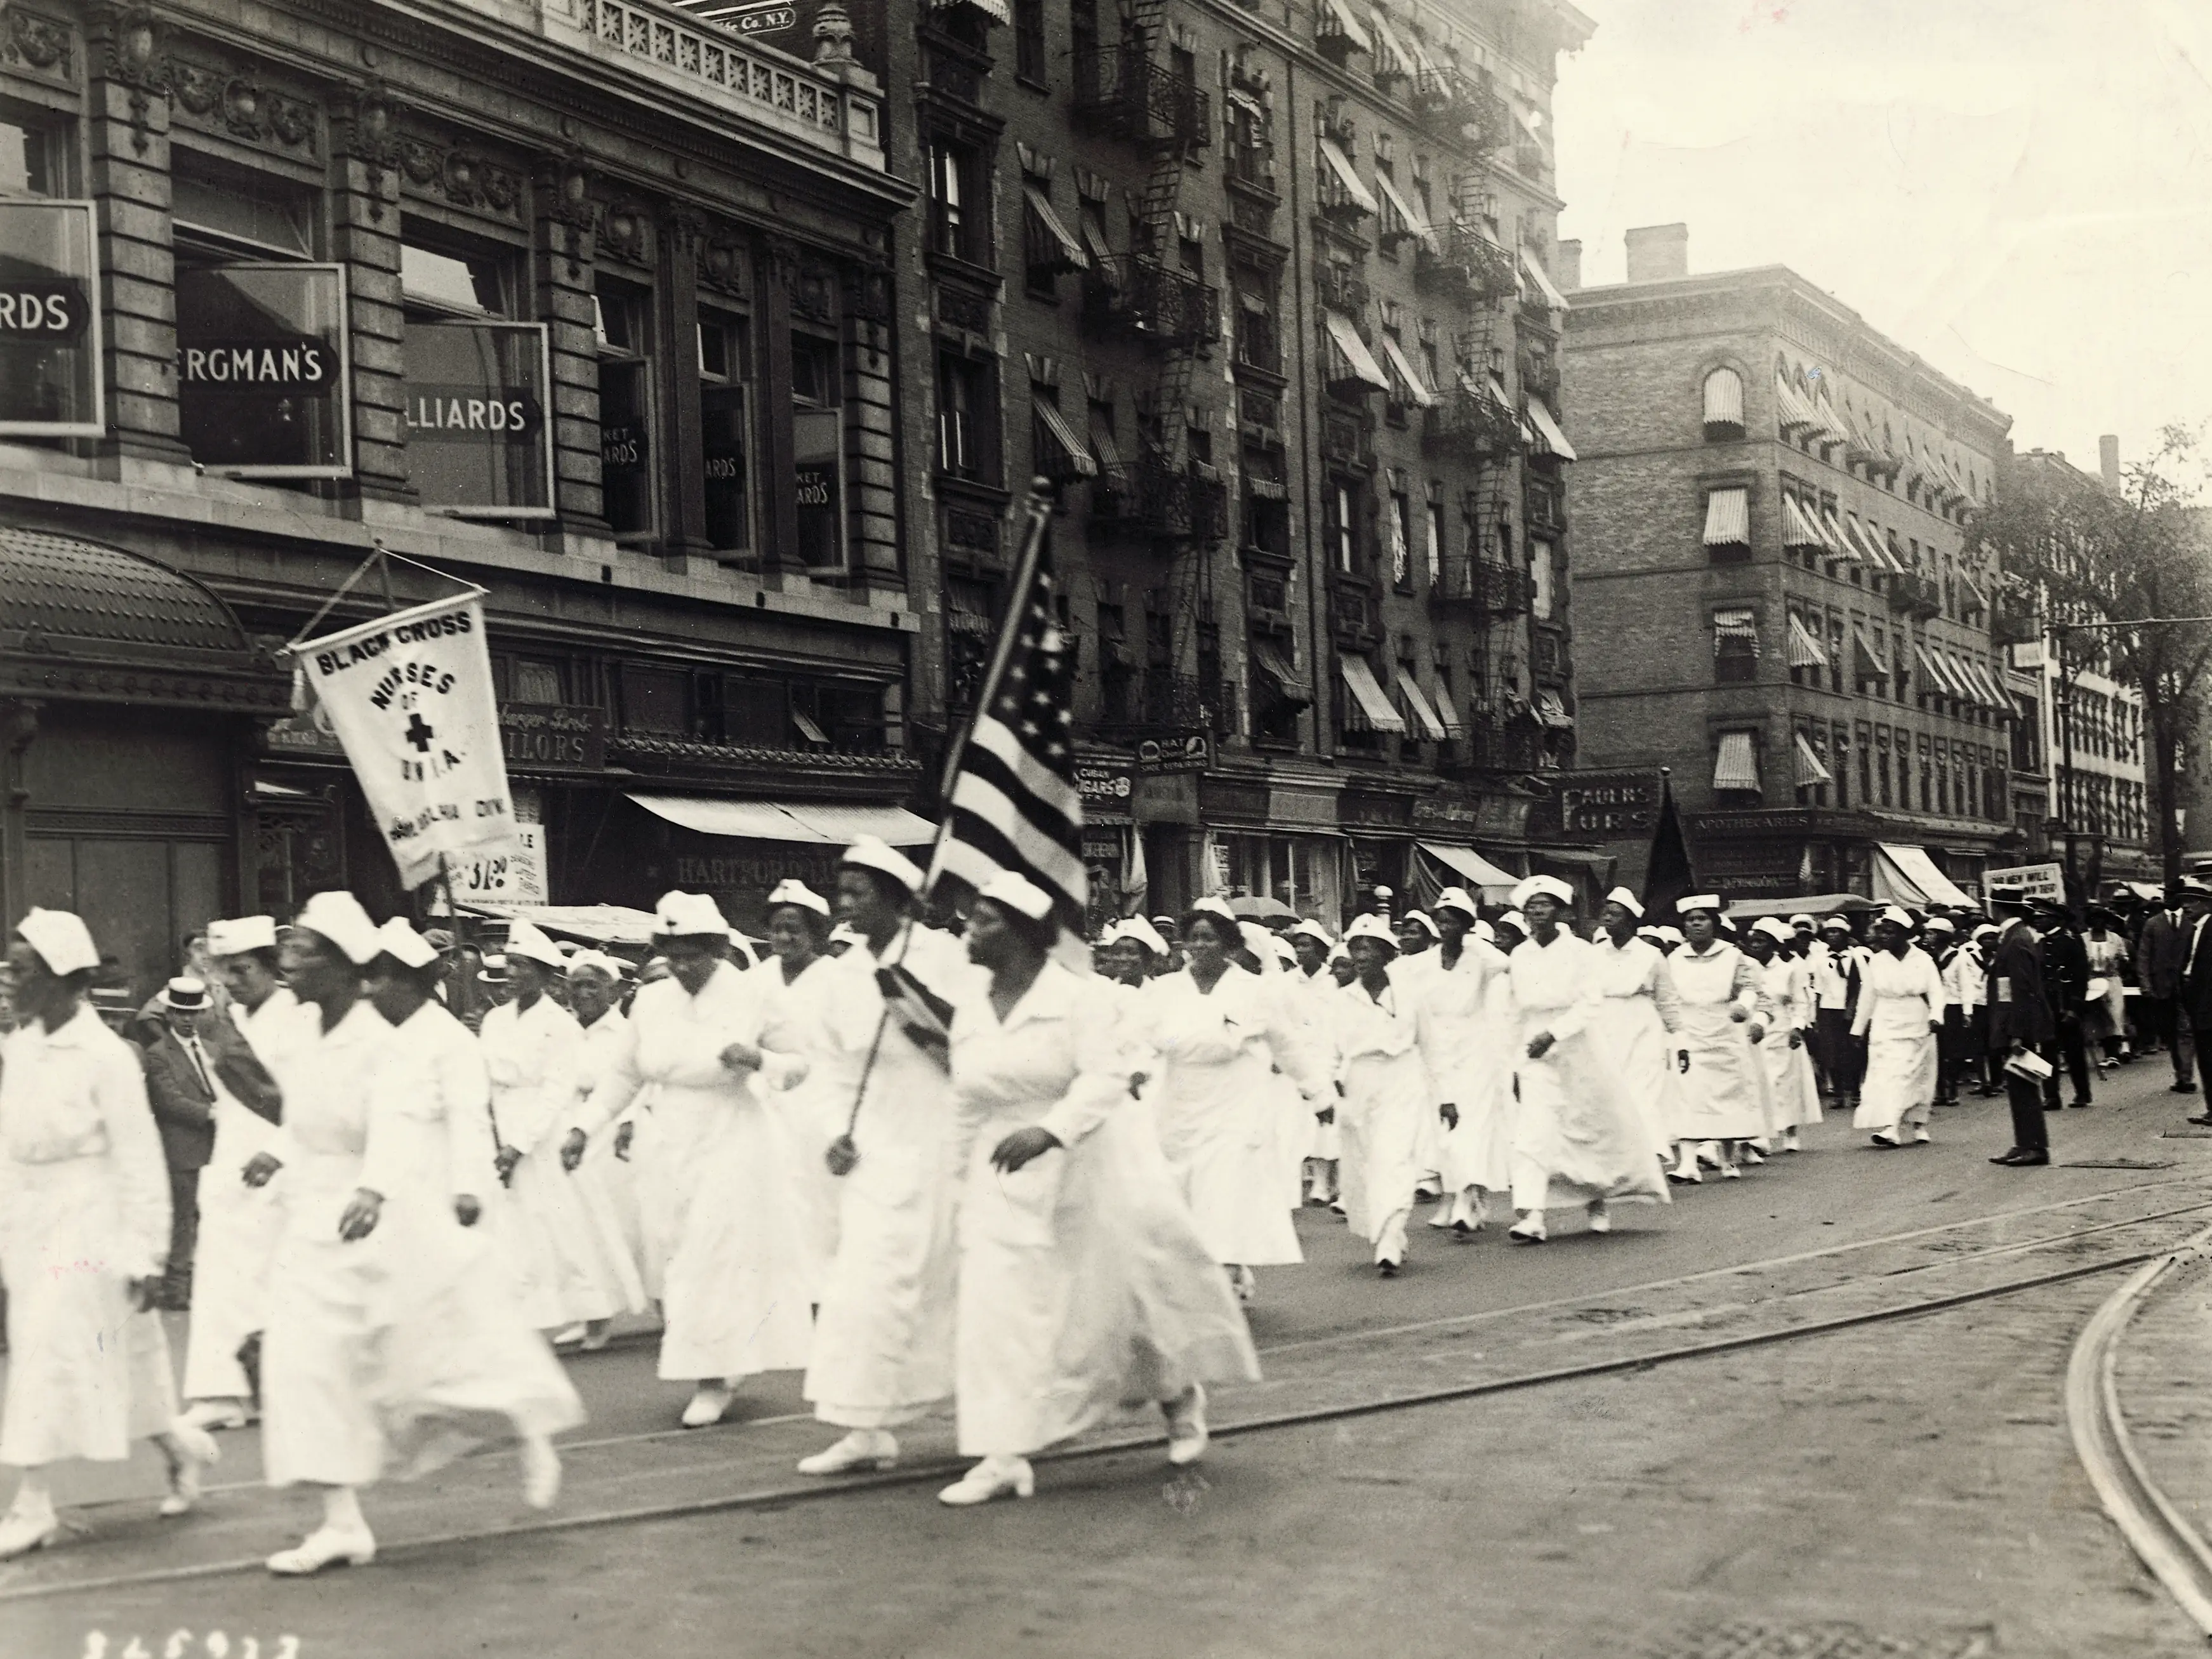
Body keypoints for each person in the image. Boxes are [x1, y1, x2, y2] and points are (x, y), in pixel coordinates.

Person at [937, 873, 1257, 1506]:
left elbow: (1106, 1075)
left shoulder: (1077, 999)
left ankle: (1177, 1397)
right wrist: (951, 1181)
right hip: (996, 1177)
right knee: (995, 1315)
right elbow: (964, 1098)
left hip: (1082, 1168)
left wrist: (1050, 1130)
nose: (970, 933)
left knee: (1112, 1310)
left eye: (985, 922)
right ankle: (1003, 1454)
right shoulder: (971, 1003)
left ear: (1026, 935)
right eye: (971, 920)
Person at [0, 909, 220, 1558]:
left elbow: (137, 1156)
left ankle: (32, 1502)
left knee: (42, 1351)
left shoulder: (106, 1056)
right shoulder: (21, 1045)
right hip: (32, 1221)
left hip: (92, 1221)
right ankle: (180, 1447)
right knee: (122, 1358)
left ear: (66, 979)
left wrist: (148, 1251)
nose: (10, 981)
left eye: (23, 970)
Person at [560, 891, 811, 1431]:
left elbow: (799, 1064)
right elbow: (624, 1075)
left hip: (732, 1139)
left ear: (718, 949)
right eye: (672, 953)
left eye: (693, 953)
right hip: (666, 1142)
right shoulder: (650, 1002)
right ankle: (722, 1360)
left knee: (712, 1255)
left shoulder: (752, 995)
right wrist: (584, 1127)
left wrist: (758, 1059)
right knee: (675, 1258)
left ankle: (712, 1381)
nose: (682, 965)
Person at [786, 840, 970, 1476]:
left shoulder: (945, 958)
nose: (843, 903)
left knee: (962, 1287)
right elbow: (829, 1069)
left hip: (949, 1143)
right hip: (875, 1155)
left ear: (895, 898)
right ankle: (864, 1426)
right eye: (840, 891)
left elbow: (974, 1040)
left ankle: (996, 1417)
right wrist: (836, 1131)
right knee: (861, 1286)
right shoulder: (838, 976)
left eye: (856, 891)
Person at [1128, 901, 1328, 1304]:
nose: (1200, 946)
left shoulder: (1254, 991)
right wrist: (1137, 1068)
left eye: (1209, 938)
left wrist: (1317, 1091)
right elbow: (1146, 1038)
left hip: (1236, 1102)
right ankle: (1226, 1266)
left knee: (1223, 1189)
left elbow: (1286, 1045)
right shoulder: (1167, 991)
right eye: (1194, 938)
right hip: (1181, 1102)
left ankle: (1224, 1271)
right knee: (1186, 1192)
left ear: (1229, 945)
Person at [480, 923, 642, 1349]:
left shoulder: (560, 1025)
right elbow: (489, 1081)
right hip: (505, 1122)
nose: (511, 973)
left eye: (520, 966)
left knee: (569, 1227)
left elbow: (556, 1090)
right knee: (518, 1230)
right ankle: (550, 1314)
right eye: (508, 965)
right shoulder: (494, 1020)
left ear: (542, 974)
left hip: (546, 1130)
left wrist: (521, 1143)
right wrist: (498, 1136)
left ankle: (597, 1314)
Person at [178, 916, 305, 1431]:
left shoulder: (298, 1018)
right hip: (232, 1173)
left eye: (243, 970)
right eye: (224, 971)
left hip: (281, 1174)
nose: (231, 981)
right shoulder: (231, 1023)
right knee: (221, 1286)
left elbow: (313, 1103)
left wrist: (279, 1149)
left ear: (272, 968)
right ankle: (221, 1394)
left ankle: (274, 1390)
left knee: (279, 1287)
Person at [1501, 876, 1669, 1241]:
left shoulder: (1581, 952)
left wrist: (1555, 1033)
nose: (1536, 911)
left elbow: (1590, 1002)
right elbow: (1514, 1012)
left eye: (1544, 904)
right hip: (1534, 1050)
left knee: (1585, 1128)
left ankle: (1596, 1201)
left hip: (1578, 1047)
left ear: (1560, 912)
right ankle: (1532, 1215)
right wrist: (1514, 1062)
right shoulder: (1519, 955)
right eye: (1530, 906)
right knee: (1533, 1131)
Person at [756, 878, 848, 1303]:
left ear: (816, 933)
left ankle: (826, 1293)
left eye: (794, 928)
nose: (784, 937)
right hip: (770, 1101)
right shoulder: (756, 979)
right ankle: (786, 1293)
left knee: (822, 1198)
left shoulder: (837, 977)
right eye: (777, 928)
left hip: (824, 1100)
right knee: (776, 1195)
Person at [1332, 914, 1431, 1274]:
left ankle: (1391, 1235)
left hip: (1401, 1077)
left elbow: (1431, 1046)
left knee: (1395, 1156)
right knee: (1364, 1163)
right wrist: (1326, 1088)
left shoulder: (1410, 996)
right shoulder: (1342, 999)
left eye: (1370, 948)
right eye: (1356, 948)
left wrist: (1446, 1095)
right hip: (1358, 1082)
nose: (1362, 955)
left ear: (1387, 954)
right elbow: (1328, 1048)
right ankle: (1387, 1229)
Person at [1415, 887, 1512, 1234]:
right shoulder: (1425, 963)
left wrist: (1472, 942)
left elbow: (1505, 962)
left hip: (1476, 1051)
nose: (1446, 927)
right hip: (1437, 1052)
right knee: (1441, 1127)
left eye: (1454, 921)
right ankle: (1452, 1196)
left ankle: (1467, 1199)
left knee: (1471, 1126)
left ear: (1467, 925)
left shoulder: (1481, 959)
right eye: (1441, 920)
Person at [1665, 897, 1770, 1182]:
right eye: (1690, 919)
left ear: (1714, 923)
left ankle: (1728, 1158)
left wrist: (1743, 1007)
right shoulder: (1674, 959)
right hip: (1689, 1032)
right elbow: (1668, 998)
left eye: (1702, 918)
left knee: (1727, 1096)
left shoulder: (1733, 955)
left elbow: (1750, 989)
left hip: (1725, 1031)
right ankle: (1688, 1164)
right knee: (1687, 1095)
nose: (1696, 924)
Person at [139, 976, 222, 1311]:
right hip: (182, 1148)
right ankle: (176, 1288)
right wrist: (214, 1113)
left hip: (215, 1148)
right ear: (169, 1015)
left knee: (211, 1216)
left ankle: (203, 1282)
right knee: (183, 1219)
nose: (188, 1019)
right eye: (180, 1013)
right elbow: (169, 1101)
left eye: (194, 1013)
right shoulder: (158, 1055)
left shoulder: (214, 1050)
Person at [1588, 888, 1683, 1166]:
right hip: (1603, 1024)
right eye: (1605, 912)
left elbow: (1667, 1001)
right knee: (1611, 1089)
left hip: (1642, 1025)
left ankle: (1651, 1148)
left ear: (1630, 920)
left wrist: (1680, 1037)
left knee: (1643, 1088)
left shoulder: (1651, 955)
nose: (1607, 918)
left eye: (1615, 914)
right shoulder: (1593, 954)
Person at [1851, 908, 1947, 1148]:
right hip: (1885, 1022)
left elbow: (1936, 991)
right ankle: (1891, 1127)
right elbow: (1867, 997)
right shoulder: (1877, 961)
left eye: (1889, 932)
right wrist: (1858, 1029)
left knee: (1913, 1075)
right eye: (1881, 932)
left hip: (1916, 1021)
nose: (1883, 937)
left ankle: (1918, 1123)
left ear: (1905, 934)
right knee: (1887, 1075)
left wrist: (1936, 1015)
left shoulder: (1923, 960)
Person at [1987, 896, 2057, 1167]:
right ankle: (2025, 1143)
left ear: (1998, 907)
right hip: (2016, 1020)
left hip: (2020, 1022)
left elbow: (2022, 988)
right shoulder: (2016, 936)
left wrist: (2017, 1032)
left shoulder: (2016, 940)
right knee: (2018, 1085)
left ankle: (2035, 1147)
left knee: (2024, 1085)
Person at [1742, 920, 1821, 1153]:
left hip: (1782, 1033)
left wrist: (1797, 1027)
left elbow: (1800, 1001)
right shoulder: (1747, 968)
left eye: (1762, 941)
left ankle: (1790, 1132)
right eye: (1753, 941)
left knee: (1784, 1084)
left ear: (1775, 945)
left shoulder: (1789, 970)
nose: (1756, 946)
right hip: (1755, 1032)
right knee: (1758, 1083)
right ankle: (1762, 1133)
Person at [2136, 885, 2195, 1093]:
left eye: (2172, 895)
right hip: (2161, 988)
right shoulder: (2152, 924)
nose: (2167, 899)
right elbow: (2143, 956)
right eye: (2166, 895)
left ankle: (2186, 1077)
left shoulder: (2192, 923)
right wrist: (2146, 985)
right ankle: (2181, 1073)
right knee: (2170, 1033)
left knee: (2185, 1031)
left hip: (2188, 987)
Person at [2037, 905, 2095, 1110]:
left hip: (2066, 1005)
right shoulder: (2041, 943)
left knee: (2073, 1052)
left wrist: (2074, 1009)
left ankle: (2082, 1093)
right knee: (2047, 1052)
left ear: (2055, 920)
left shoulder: (2070, 941)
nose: (2037, 920)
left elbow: (2080, 977)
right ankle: (2052, 1096)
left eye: (2041, 917)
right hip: (2047, 1006)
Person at [1810, 916, 1866, 1111]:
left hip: (1849, 1009)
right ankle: (1840, 1094)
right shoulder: (1820, 960)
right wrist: (1816, 1017)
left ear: (1845, 935)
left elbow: (1863, 985)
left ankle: (1857, 1091)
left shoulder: (1857, 957)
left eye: (1837, 932)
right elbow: (1818, 989)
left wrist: (1853, 1008)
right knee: (1831, 1052)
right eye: (1830, 932)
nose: (1833, 936)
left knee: (1852, 1051)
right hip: (1828, 1009)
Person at [2083, 910, 2133, 1067]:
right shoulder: (2083, 939)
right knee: (2099, 1016)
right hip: (2092, 981)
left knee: (2115, 1015)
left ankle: (2114, 1053)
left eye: (2102, 919)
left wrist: (2120, 964)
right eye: (2095, 918)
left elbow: (2125, 958)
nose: (2099, 922)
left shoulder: (2115, 938)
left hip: (2112, 980)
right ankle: (2107, 1052)